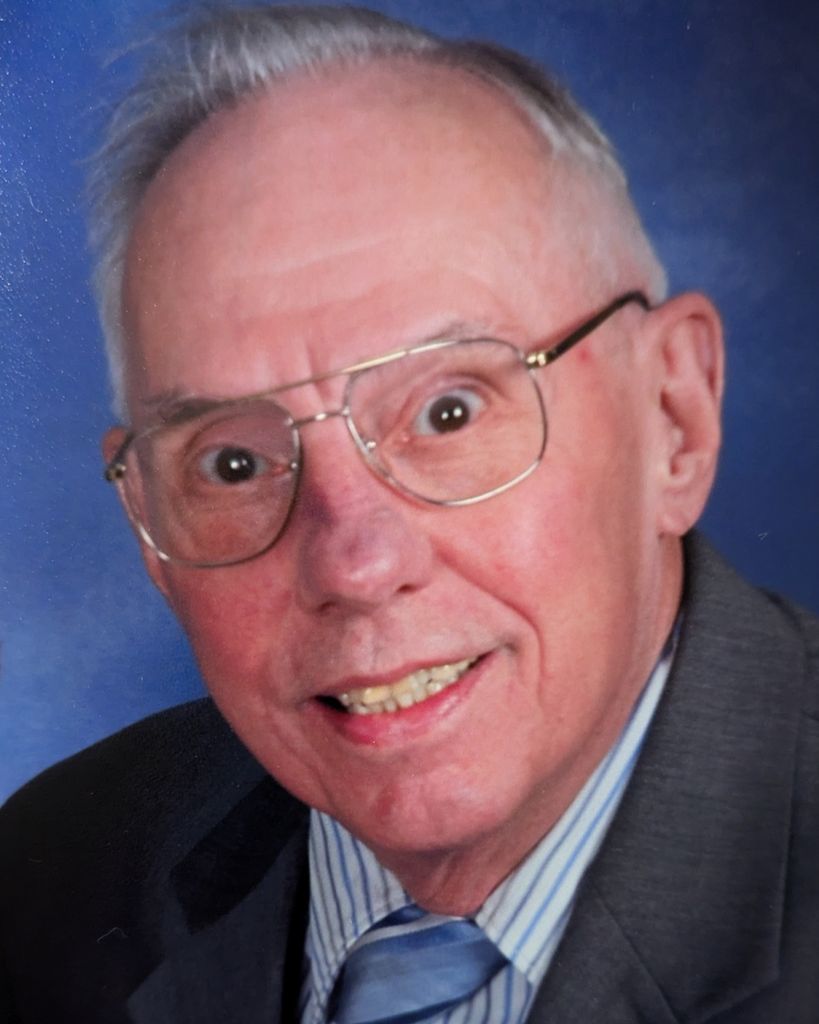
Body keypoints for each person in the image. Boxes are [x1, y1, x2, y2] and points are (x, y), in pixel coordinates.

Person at [1, 5, 817, 1022]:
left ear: (672, 417)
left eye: (447, 411)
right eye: (234, 462)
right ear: (147, 529)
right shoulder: (44, 883)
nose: (354, 560)